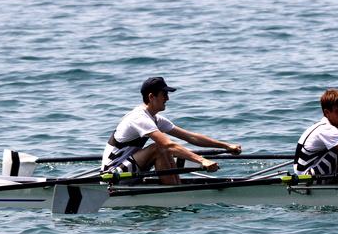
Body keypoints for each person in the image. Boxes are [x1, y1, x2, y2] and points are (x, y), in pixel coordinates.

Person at [102, 77, 242, 184]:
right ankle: (174, 193)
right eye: (164, 94)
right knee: (159, 147)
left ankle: (176, 187)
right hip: (113, 175)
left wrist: (226, 146)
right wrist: (202, 161)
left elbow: (190, 137)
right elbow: (169, 145)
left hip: (131, 170)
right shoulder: (139, 118)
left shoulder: (155, 119)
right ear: (151, 96)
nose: (167, 98)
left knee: (164, 149)